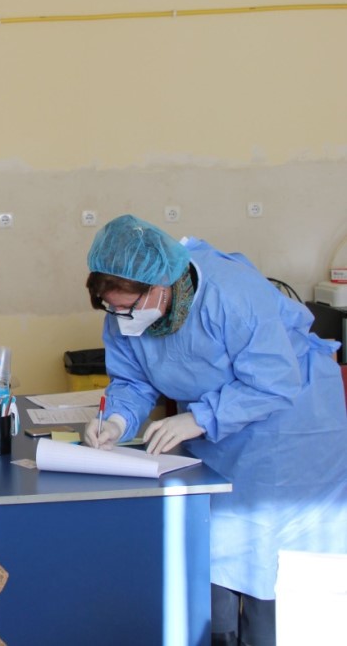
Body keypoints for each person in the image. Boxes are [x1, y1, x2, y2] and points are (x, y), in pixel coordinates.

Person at [81, 214, 347, 646]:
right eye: (112, 308)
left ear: (161, 285)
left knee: (275, 565)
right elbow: (132, 381)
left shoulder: (231, 293)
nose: (121, 318)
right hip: (218, 437)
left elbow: (274, 381)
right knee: (216, 550)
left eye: (128, 307)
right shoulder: (126, 312)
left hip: (292, 434)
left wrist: (199, 418)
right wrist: (116, 421)